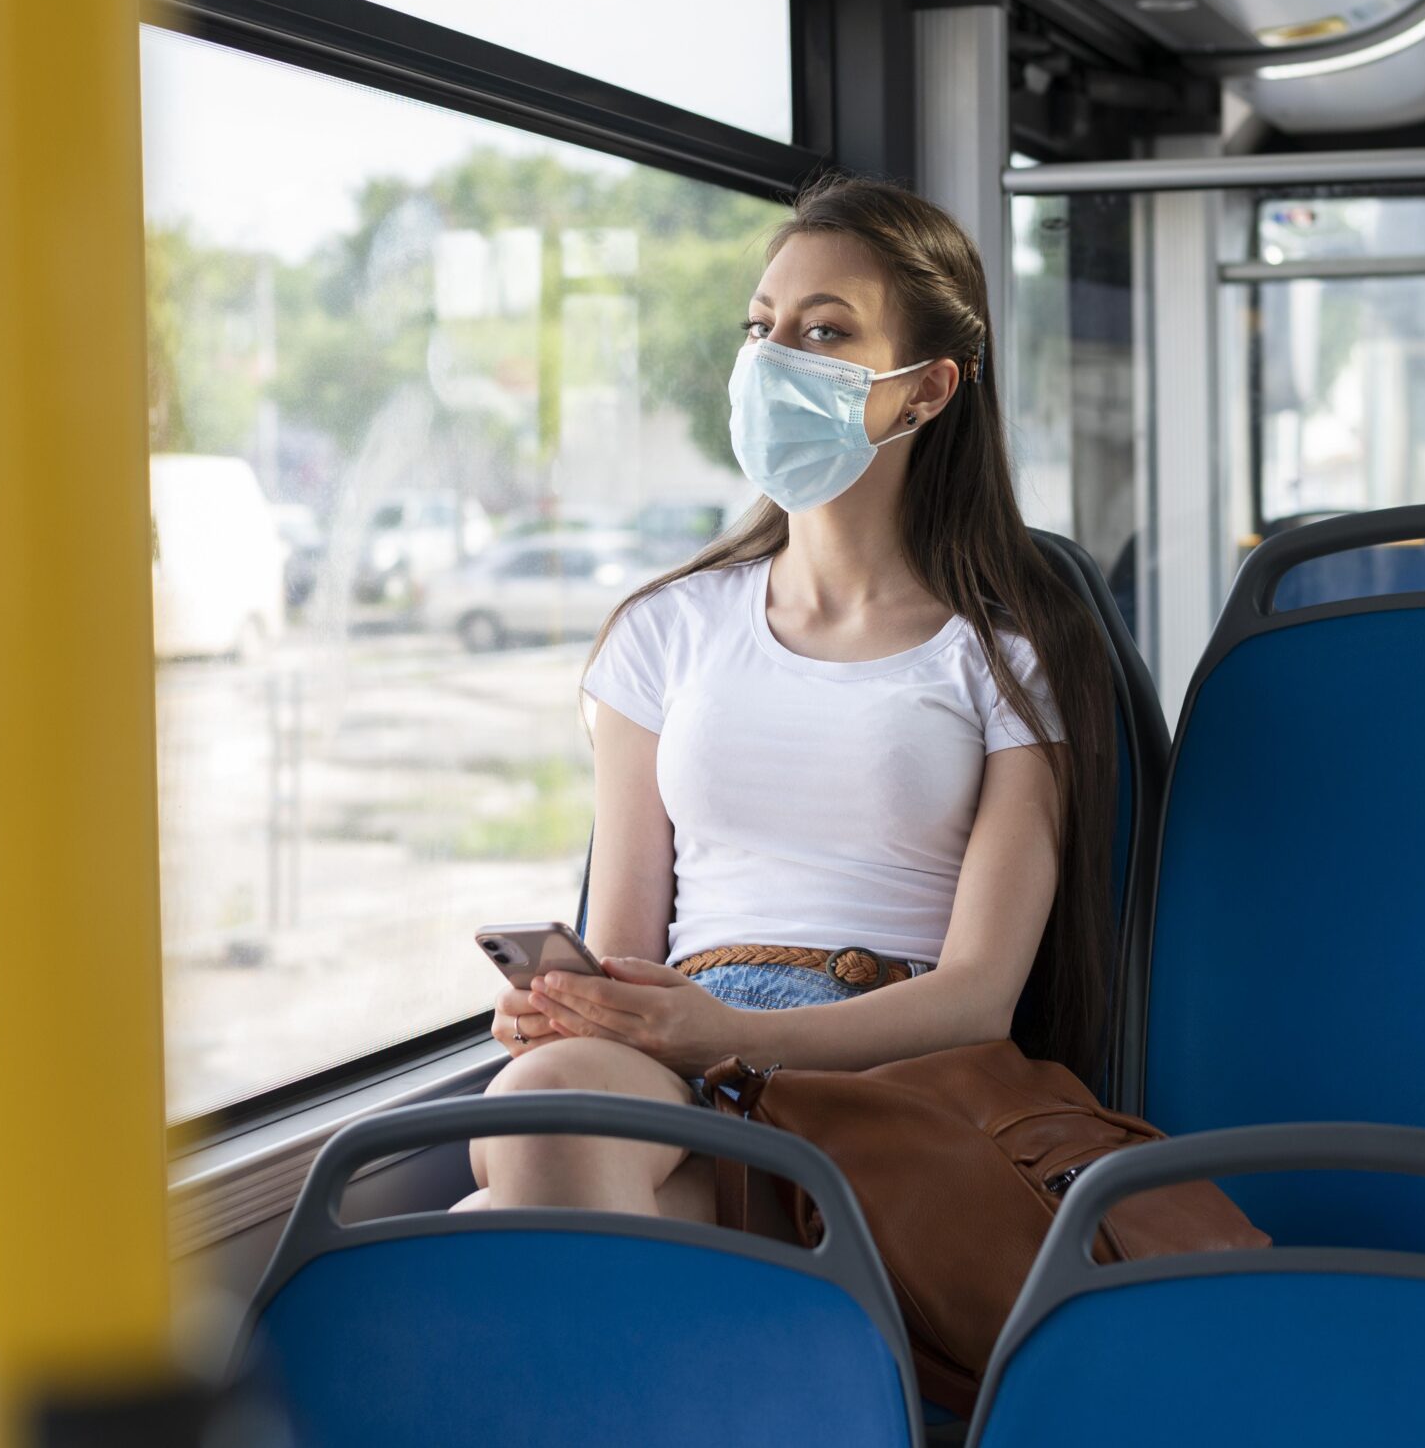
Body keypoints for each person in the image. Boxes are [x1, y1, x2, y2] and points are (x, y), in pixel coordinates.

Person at [458, 175, 1121, 1222]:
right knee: (539, 1101)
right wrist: (578, 1004)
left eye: (824, 331)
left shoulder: (1007, 653)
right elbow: (630, 945)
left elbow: (979, 994)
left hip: (879, 1064)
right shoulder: (662, 628)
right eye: (761, 327)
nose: (772, 359)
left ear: (925, 390)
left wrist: (727, 1031)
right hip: (685, 1046)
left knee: (499, 1224)